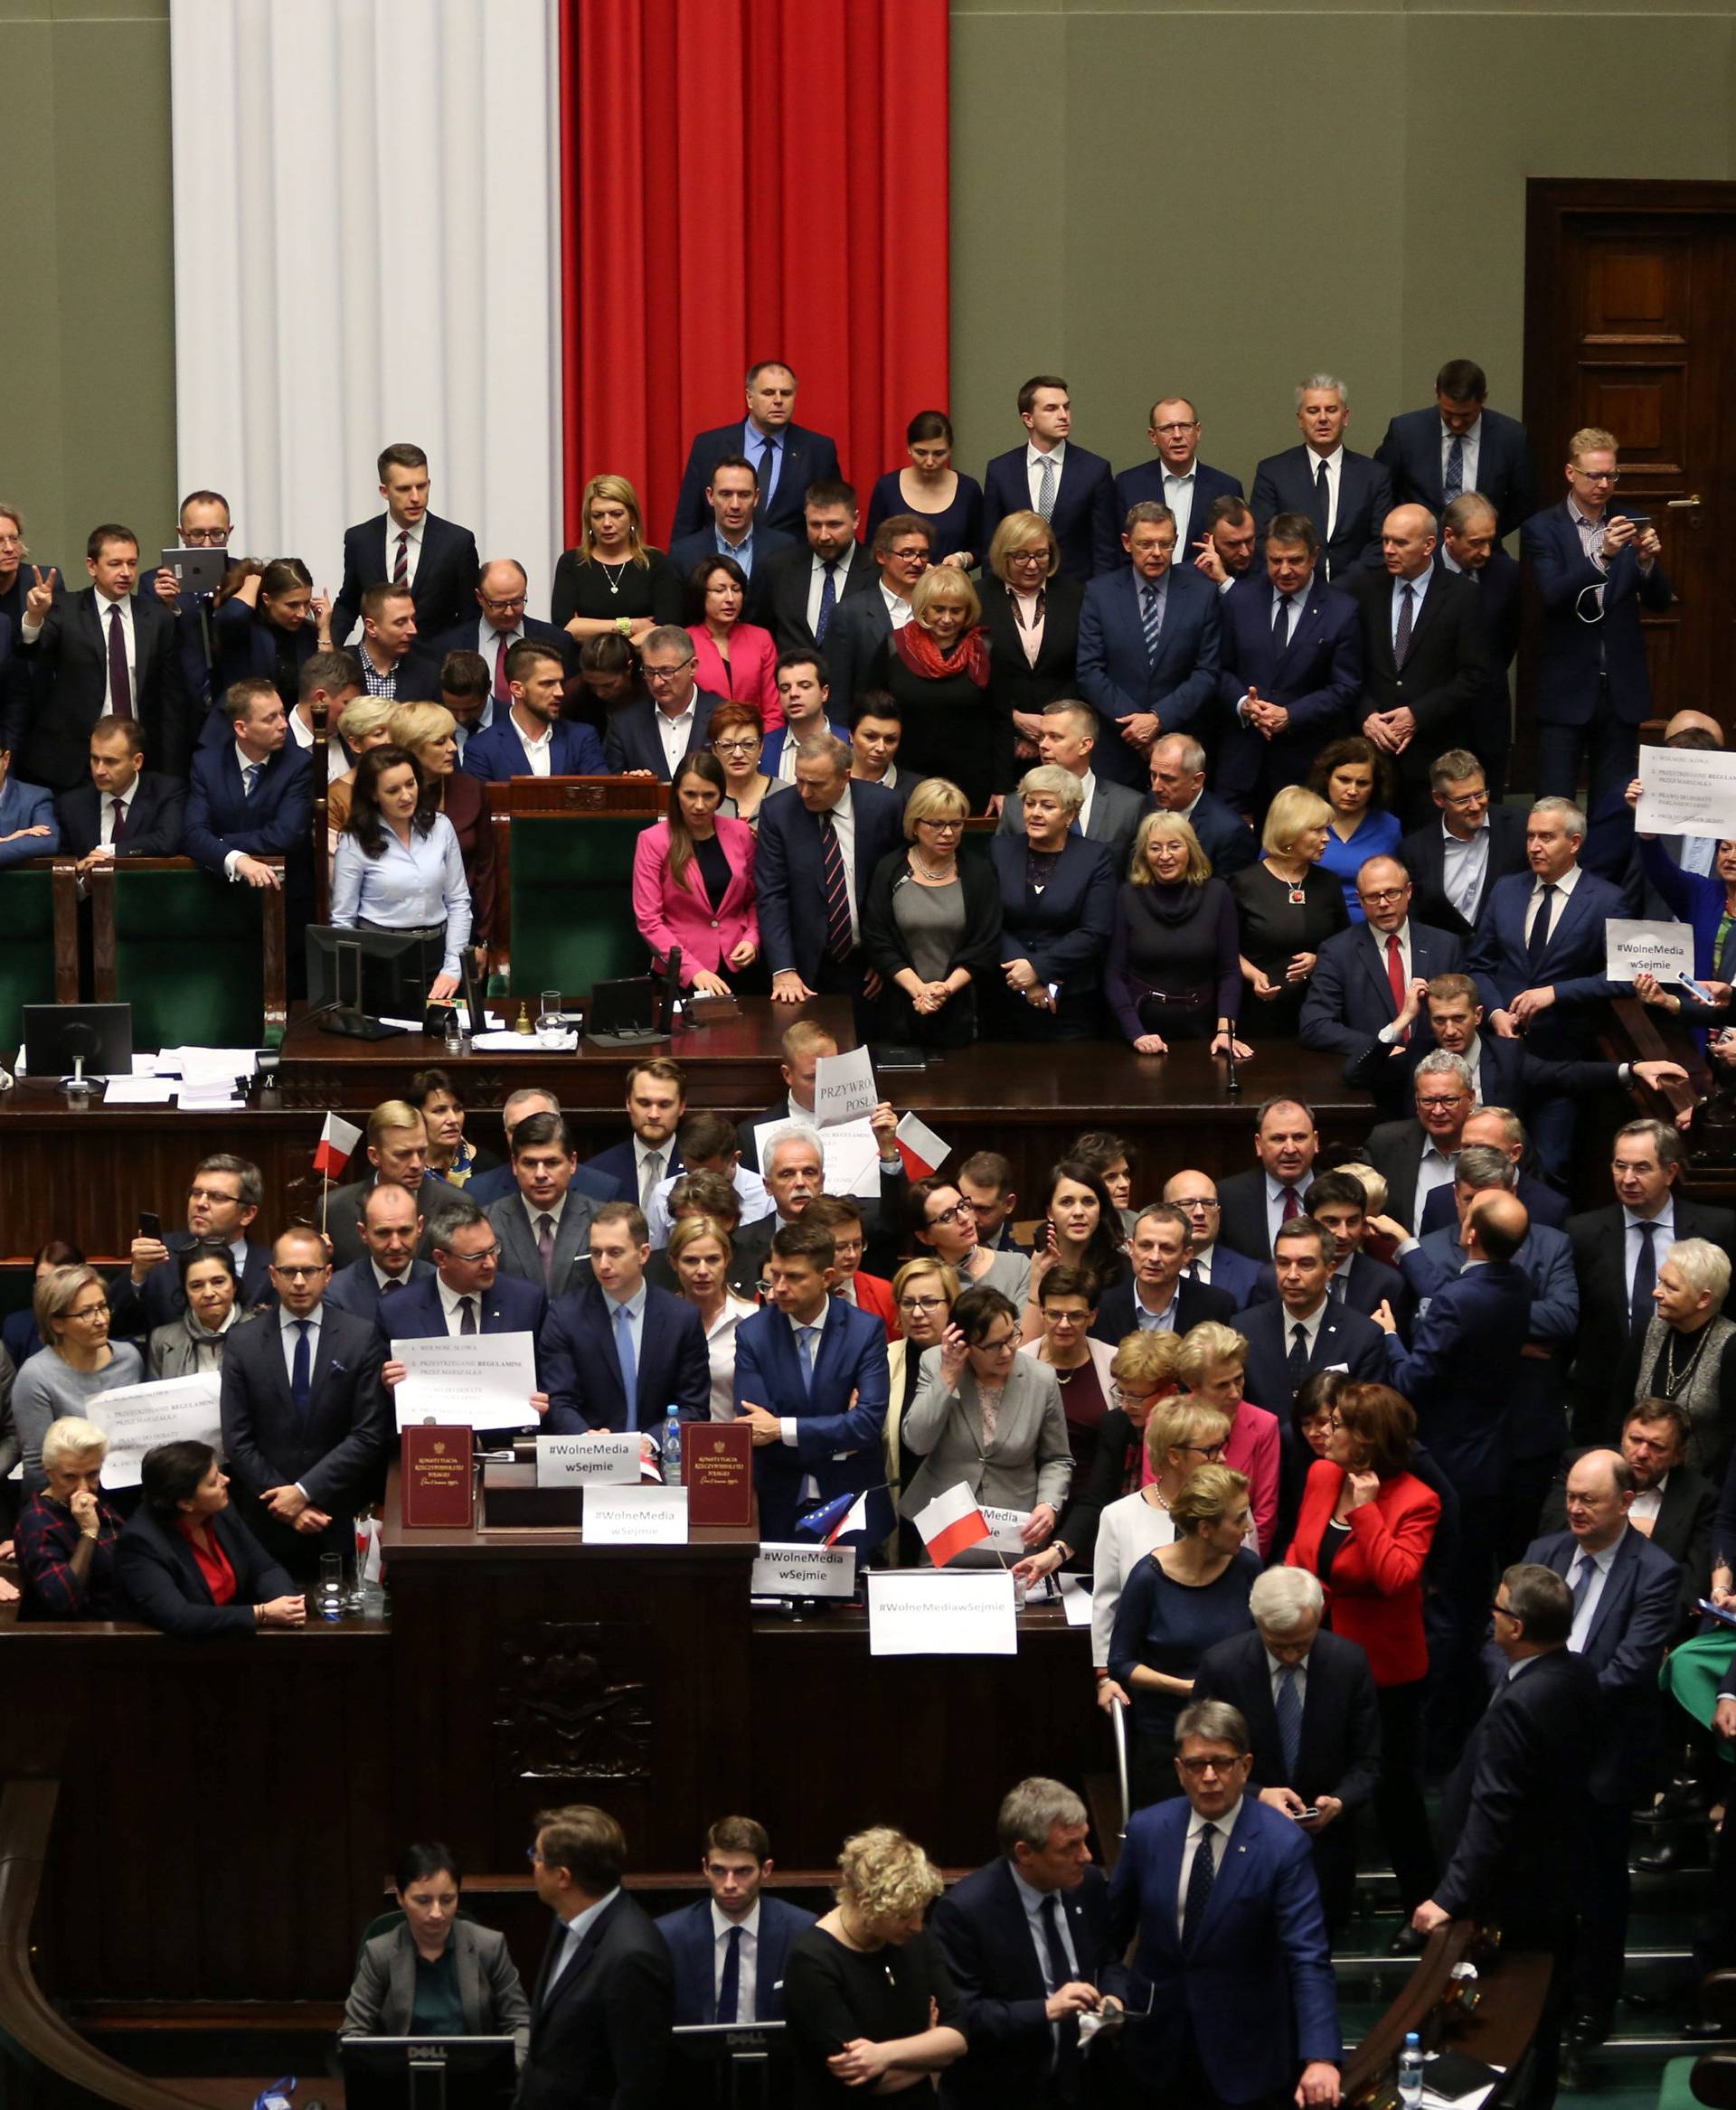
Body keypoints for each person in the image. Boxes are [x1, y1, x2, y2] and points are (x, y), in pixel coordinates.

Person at [1505, 1449, 1678, 2054]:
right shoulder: (1542, 1553)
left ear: (1627, 1502)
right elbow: (1495, 1638)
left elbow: (1629, 1670)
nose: (1575, 1508)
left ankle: (1590, 2008)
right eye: (1572, 1497)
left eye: (1590, 1500)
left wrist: (1542, 1704)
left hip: (1600, 1759)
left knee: (1599, 1892)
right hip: (1529, 1755)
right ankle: (1532, 2000)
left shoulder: (1654, 1571)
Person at [1412, 1567, 1599, 2110]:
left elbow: (1493, 1813)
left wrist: (1448, 1897)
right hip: (1557, 1882)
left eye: (1497, 1610)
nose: (1490, 1617)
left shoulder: (1519, 1705)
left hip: (1510, 1901)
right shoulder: (1577, 1673)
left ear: (1516, 1628)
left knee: (1498, 2032)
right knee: (1541, 2023)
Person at [1108, 1698, 1342, 2105]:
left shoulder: (1282, 1845)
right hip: (1155, 2046)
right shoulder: (1147, 1832)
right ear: (1180, 1770)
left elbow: (1307, 1957)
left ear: (1246, 1767)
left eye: (1223, 1763)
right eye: (1197, 1764)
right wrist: (1111, 1991)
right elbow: (1111, 1934)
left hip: (1246, 2050)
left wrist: (1320, 2056)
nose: (1210, 1777)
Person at [1284, 1382, 1440, 1917]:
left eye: (1341, 1425)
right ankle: (1328, 1902)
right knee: (1324, 1786)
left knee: (1396, 1796)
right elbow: (1301, 1549)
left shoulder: (1418, 1500)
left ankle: (1424, 1905)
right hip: (1318, 1658)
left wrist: (1369, 1512)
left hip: (1386, 1673)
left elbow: (1397, 1577)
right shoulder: (1322, 1474)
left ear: (1369, 1442)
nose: (1327, 1432)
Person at [1191, 1568, 1382, 1936]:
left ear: (1320, 1615)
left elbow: (1369, 1761)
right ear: (1257, 1620)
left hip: (1324, 1851)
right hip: (1240, 1842)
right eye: (1278, 1644)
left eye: (1302, 1642)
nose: (1292, 1654)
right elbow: (1200, 1761)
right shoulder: (1222, 1666)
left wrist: (1340, 1802)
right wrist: (1257, 1794)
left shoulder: (1349, 1663)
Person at [930, 1776, 1120, 2110]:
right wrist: (1046, 2010)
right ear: (1025, 1853)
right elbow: (961, 2015)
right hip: (1004, 2092)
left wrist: (1115, 1999)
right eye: (1069, 1848)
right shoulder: (966, 1910)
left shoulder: (1087, 1885)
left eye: (1085, 1841)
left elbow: (1109, 1961)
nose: (1087, 1856)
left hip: (1086, 2085)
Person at [1463, 794, 1630, 1171]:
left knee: (1550, 1165)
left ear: (1574, 843)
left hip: (1563, 1056)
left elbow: (1621, 978)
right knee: (1488, 1162)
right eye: (1530, 836)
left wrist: (1557, 992)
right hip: (1501, 1056)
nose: (1534, 847)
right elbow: (1479, 964)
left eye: (1546, 837)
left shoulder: (1607, 900)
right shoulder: (1507, 889)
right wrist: (1494, 1014)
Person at [218, 1227, 392, 1578]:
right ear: (273, 1276)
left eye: (309, 1271)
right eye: (288, 1271)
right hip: (266, 1520)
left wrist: (305, 1491)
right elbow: (238, 1439)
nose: (299, 1281)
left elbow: (367, 1434)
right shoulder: (243, 1341)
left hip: (336, 1515)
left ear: (327, 1275)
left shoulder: (360, 1337)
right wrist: (287, 1502)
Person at [1523, 424, 1672, 805]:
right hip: (1566, 686)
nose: (1604, 484)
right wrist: (1602, 555)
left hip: (1620, 688)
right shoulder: (1543, 529)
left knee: (1614, 804)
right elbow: (1554, 595)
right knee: (1555, 802)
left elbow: (1658, 601)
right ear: (1571, 473)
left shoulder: (1632, 521)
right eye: (1595, 475)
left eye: (1611, 475)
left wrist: (1647, 562)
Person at [1567, 1119, 1736, 1446]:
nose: (1628, 1179)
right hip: (1604, 1405)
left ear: (1670, 1172)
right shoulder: (1582, 1233)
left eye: (1642, 1168)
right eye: (1620, 1166)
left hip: (1696, 1406)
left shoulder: (1718, 1228)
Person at [1109, 1464, 1261, 1805]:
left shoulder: (1247, 1568)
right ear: (1205, 1528)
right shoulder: (1149, 1578)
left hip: (1235, 1733)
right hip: (1170, 1737)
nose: (1248, 1527)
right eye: (1238, 1519)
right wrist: (1187, 1689)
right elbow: (1121, 1663)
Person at [735, 1221, 892, 1548]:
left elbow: (866, 1424)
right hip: (779, 1506)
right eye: (775, 1275)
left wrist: (781, 1428)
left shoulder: (864, 1332)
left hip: (851, 1506)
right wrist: (839, 1436)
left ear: (826, 1277)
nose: (778, 1288)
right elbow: (754, 1429)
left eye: (794, 1277)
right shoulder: (753, 1334)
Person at [785, 1827, 967, 2105]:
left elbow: (959, 2036)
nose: (917, 1925)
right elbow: (863, 2082)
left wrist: (884, 2055)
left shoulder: (914, 1939)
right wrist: (930, 2053)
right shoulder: (813, 1961)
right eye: (904, 1915)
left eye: (921, 1911)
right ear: (866, 1906)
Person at [1341, 505, 1494, 824]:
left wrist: (1417, 715)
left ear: (1428, 545)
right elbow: (1348, 666)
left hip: (1432, 755)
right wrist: (1367, 715)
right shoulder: (1364, 589)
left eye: (1400, 542)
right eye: (1385, 541)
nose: (1388, 550)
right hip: (1373, 757)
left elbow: (1474, 675)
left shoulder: (1464, 596)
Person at [14, 521, 195, 790]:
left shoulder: (157, 618)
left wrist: (171, 771)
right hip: (74, 763)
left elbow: (171, 699)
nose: (125, 573)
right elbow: (32, 654)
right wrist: (35, 617)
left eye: (132, 564)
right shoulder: (64, 609)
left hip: (138, 762)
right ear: (91, 566)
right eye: (115, 564)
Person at [899, 1285, 1071, 1559]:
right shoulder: (935, 1363)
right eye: (993, 1345)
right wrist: (948, 1376)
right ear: (963, 1344)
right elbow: (917, 1441)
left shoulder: (1041, 1379)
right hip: (947, 1528)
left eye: (1011, 1338)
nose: (1006, 1352)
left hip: (1016, 1533)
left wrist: (1048, 1504)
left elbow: (1057, 1458)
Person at [519, 1804, 673, 2110]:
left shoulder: (633, 1956)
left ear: (563, 1877)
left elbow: (638, 2086)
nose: (532, 1864)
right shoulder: (565, 1919)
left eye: (536, 1856)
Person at [1214, 511, 1362, 815]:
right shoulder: (1239, 599)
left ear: (1314, 556)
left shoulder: (1341, 610)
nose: (1284, 570)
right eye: (1275, 560)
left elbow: (1346, 687)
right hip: (1241, 760)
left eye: (1294, 560)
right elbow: (1217, 668)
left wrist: (1290, 714)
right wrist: (1243, 704)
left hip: (1303, 763)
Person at [1077, 501, 1222, 791]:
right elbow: (1089, 671)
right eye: (1146, 544)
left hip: (1180, 750)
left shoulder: (1202, 594)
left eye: (1165, 544)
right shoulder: (1100, 593)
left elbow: (1207, 672)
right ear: (1127, 543)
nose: (1156, 554)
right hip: (1116, 749)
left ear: (1176, 543)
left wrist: (1158, 719)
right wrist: (1136, 726)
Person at [757, 733, 904, 1017]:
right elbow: (772, 895)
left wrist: (890, 959)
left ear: (844, 777)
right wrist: (784, 969)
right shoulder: (779, 812)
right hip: (805, 967)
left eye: (816, 784)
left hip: (869, 962)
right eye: (799, 779)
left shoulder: (885, 807)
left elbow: (899, 886)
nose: (804, 792)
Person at [540, 1202, 711, 1434]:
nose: (603, 1265)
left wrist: (651, 1441)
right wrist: (585, 1436)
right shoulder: (565, 1316)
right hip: (588, 1459)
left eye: (615, 1253)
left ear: (643, 1254)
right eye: (596, 1252)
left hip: (660, 1460)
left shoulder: (681, 1319)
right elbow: (558, 1400)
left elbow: (693, 1406)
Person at [344, 1841, 531, 2050]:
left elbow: (521, 2024)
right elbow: (353, 2034)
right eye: (423, 1900)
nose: (436, 1913)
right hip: (403, 2078)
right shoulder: (379, 1953)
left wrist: (505, 2069)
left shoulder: (490, 1947)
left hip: (476, 2077)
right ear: (400, 1898)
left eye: (447, 1899)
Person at [861, 774, 1002, 1047]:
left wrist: (945, 989)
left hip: (962, 1007)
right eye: (936, 824)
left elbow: (986, 942)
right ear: (915, 824)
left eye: (956, 824)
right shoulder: (890, 869)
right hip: (899, 1006)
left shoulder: (979, 872)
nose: (948, 833)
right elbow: (877, 939)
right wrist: (919, 990)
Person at [116, 1440, 307, 1637]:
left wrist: (288, 1603)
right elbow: (180, 1617)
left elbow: (265, 1568)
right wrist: (261, 1613)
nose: (226, 1481)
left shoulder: (219, 1509)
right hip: (182, 1653)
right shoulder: (140, 1542)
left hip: (235, 1638)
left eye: (220, 1473)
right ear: (186, 1503)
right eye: (213, 1482)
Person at [331, 743, 471, 1003]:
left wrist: (453, 967)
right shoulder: (355, 841)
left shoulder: (441, 827)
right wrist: (347, 987)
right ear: (373, 795)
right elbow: (343, 920)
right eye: (393, 790)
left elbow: (459, 901)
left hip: (438, 954)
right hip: (381, 957)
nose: (406, 796)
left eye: (411, 784)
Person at [1104, 808, 1246, 1058]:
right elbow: (1115, 974)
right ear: (1143, 854)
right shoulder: (1127, 895)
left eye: (1174, 846)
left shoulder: (1218, 893)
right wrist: (1136, 1034)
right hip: (1140, 1031)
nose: (1165, 856)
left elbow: (1229, 972)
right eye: (1155, 848)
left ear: (1191, 849)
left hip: (1203, 1032)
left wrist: (1226, 1031)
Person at [1299, 854, 1462, 1061]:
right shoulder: (1337, 952)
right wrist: (1379, 1046)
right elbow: (1315, 1026)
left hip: (1439, 1071)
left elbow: (1462, 1016)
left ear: (1409, 892)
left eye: (1392, 893)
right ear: (1360, 900)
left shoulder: (1445, 946)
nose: (1383, 904)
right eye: (1373, 897)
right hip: (1372, 1076)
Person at [657, 1815, 817, 2026]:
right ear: (705, 1867)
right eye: (719, 1870)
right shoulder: (669, 1936)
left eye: (742, 1871)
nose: (729, 1884)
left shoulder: (801, 1931)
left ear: (766, 1870)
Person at [862, 568, 996, 815]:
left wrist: (1001, 787)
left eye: (956, 611)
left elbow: (1000, 720)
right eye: (938, 609)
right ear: (923, 608)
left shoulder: (984, 651)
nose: (947, 619)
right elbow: (871, 710)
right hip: (905, 778)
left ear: (968, 611)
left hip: (972, 782)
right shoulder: (894, 646)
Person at [670, 361, 844, 544]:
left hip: (791, 565)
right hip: (722, 565)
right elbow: (687, 521)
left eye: (786, 393)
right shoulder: (709, 445)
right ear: (749, 398)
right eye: (768, 393)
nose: (778, 400)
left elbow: (834, 514)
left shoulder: (818, 450)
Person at [1233, 1216, 1386, 1422]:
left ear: (1330, 1270)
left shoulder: (1362, 1336)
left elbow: (1367, 1419)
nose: (1292, 1275)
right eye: (1283, 1263)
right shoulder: (1244, 1329)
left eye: (1305, 1264)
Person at [630, 750, 759, 994]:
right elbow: (649, 921)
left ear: (721, 795)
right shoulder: (652, 840)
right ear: (676, 793)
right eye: (690, 794)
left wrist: (752, 938)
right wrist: (691, 969)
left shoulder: (741, 833)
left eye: (709, 795)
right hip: (681, 974)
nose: (699, 805)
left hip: (739, 964)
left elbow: (755, 900)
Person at [14, 1266, 145, 1494]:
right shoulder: (35, 1376)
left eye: (103, 1307)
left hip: (131, 1491)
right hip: (69, 1500)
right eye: (86, 1313)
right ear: (57, 1323)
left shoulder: (129, 1358)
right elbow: (38, 1468)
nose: (101, 1320)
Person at [108, 1153, 271, 1336]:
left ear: (248, 1214)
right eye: (196, 1193)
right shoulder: (160, 1253)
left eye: (216, 1197)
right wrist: (138, 1274)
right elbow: (112, 1325)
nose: (201, 1203)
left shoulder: (273, 1266)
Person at [1375, 358, 1535, 543]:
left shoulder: (1510, 437)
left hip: (1480, 551)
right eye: (1448, 414)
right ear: (1437, 392)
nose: (1457, 423)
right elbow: (1382, 491)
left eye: (1466, 415)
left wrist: (1483, 535)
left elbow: (1524, 502)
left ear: (1483, 398)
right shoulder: (1406, 431)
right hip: (1418, 552)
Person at [330, 442, 476, 645]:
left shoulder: (457, 542)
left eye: (421, 486)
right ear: (384, 491)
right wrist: (328, 650)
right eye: (404, 489)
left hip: (435, 666)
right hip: (375, 664)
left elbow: (470, 616)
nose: (415, 497)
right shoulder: (360, 540)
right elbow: (349, 603)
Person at [1231, 786, 1349, 1036]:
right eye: (1318, 830)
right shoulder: (1244, 883)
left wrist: (1319, 960)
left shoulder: (1329, 883)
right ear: (1290, 831)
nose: (1327, 837)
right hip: (1260, 1012)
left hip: (1319, 1011)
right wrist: (1253, 975)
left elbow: (1345, 944)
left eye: (1327, 829)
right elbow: (1225, 948)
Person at [1251, 371, 1392, 580]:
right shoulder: (1273, 472)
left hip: (1357, 594)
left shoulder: (1374, 475)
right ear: (1300, 419)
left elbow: (1381, 541)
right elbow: (1262, 538)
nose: (1323, 418)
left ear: (1345, 417)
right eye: (1313, 411)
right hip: (1292, 591)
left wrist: (1345, 585)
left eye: (1331, 410)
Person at [981, 373, 1118, 582]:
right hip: (1015, 593)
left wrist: (1099, 603)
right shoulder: (1001, 470)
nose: (1063, 415)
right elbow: (991, 545)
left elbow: (1105, 549)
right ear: (1028, 419)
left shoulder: (1095, 470)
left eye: (1066, 407)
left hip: (1076, 596)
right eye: (1051, 408)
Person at [183, 678, 313, 892]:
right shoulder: (207, 764)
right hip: (219, 889)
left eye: (282, 713)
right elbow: (193, 832)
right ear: (241, 729)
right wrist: (236, 859)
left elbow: (284, 835)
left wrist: (220, 840)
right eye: (270, 718)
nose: (283, 724)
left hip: (281, 892)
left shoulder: (298, 765)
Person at [980, 516, 1085, 782]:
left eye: (1041, 555)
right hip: (998, 742)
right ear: (1003, 555)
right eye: (1021, 557)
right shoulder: (978, 598)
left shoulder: (1076, 596)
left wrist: (1047, 726)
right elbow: (973, 671)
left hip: (1064, 743)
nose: (1033, 565)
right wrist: (1015, 720)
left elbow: (1083, 666)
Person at [382, 1196, 550, 1361]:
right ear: (441, 1259)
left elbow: (548, 1374)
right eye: (476, 1257)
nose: (490, 1263)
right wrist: (390, 1384)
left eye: (493, 1250)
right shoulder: (397, 1310)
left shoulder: (526, 1302)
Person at [1435, 496, 1524, 798]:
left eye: (1490, 540)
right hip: (1435, 708)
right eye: (1475, 543)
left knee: (1489, 796)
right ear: (1449, 536)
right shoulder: (1424, 570)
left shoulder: (1507, 574)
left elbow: (1508, 638)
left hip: (1488, 708)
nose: (1485, 551)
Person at [387, 699, 495, 947]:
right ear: (411, 748)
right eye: (440, 742)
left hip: (464, 926)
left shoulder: (471, 790)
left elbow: (486, 871)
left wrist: (483, 941)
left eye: (451, 738)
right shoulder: (389, 795)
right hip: (398, 929)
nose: (453, 748)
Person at [1173, 1320, 1284, 1555]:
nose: (1235, 1393)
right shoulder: (1167, 1422)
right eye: (1222, 1385)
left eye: (1239, 1379)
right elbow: (1157, 1501)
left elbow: (1264, 1518)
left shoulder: (1264, 1425)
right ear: (1194, 1386)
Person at [1397, 748, 1529, 941]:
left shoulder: (1519, 827)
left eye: (1480, 794)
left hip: (1505, 953)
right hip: (1445, 959)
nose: (1475, 806)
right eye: (1463, 800)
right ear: (1438, 799)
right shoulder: (1415, 850)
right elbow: (1414, 917)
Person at [12, 1416, 126, 1619]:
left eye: (92, 1474)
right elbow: (63, 1600)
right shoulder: (37, 1522)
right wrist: (89, 1532)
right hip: (84, 1636)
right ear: (49, 1473)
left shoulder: (100, 1499)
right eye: (70, 1477)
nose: (83, 1488)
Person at [552, 472, 683, 648]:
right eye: (598, 516)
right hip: (586, 667)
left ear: (632, 517)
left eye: (616, 514)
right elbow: (565, 628)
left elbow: (666, 628)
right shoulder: (572, 562)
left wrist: (618, 651)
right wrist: (631, 626)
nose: (607, 523)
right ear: (588, 521)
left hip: (644, 667)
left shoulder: (655, 562)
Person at [822, 515, 934, 720]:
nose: (918, 562)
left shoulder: (938, 609)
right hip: (872, 736)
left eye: (923, 554)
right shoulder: (850, 613)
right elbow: (837, 693)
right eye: (907, 554)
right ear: (882, 556)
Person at [486, 1112, 600, 1298]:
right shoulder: (489, 1223)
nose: (540, 1174)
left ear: (572, 1163)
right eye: (530, 1163)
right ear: (514, 1165)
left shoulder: (600, 1219)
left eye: (552, 1162)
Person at [1116, 395, 1246, 558]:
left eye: (1185, 426)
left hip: (1206, 581)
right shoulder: (1128, 484)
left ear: (1198, 431)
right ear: (1152, 436)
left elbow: (1236, 552)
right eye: (1167, 428)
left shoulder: (1226, 487)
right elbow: (1117, 552)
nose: (1177, 435)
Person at [757, 481, 877, 656]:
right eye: (815, 525)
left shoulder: (877, 571)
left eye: (834, 525)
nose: (823, 536)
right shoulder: (778, 568)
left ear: (856, 520)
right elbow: (760, 634)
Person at [1363, 1050, 1477, 1233]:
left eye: (1449, 1100)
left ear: (1471, 1099)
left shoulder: (1496, 1142)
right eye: (1428, 1101)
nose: (1438, 1111)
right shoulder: (1385, 1143)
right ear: (1416, 1102)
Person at [1087, 1203, 1234, 1344]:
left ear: (1186, 1255)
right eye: (1145, 1246)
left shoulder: (1216, 1306)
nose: (1154, 1257)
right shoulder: (1102, 1307)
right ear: (1131, 1248)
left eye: (1167, 1248)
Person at [461, 638, 607, 780]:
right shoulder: (482, 748)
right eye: (548, 684)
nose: (560, 692)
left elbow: (602, 794)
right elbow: (477, 803)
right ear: (518, 689)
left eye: (560, 682)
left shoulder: (581, 738)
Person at [56, 713, 184, 863]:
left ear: (137, 762)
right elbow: (63, 866)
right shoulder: (71, 805)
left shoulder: (166, 792)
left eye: (110, 761)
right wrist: (81, 875)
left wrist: (109, 852)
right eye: (95, 759)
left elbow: (167, 841)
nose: (99, 770)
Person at [865, 410, 985, 569]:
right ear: (909, 448)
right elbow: (873, 548)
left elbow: (982, 548)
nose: (929, 461)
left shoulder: (968, 490)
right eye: (921, 453)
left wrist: (961, 559)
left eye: (938, 453)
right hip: (899, 589)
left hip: (950, 588)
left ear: (950, 450)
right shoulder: (887, 487)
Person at [666, 453, 797, 596]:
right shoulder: (684, 554)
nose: (735, 505)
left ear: (756, 497)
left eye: (744, 495)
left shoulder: (784, 549)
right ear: (710, 496)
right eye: (726, 494)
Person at [667, 1215, 759, 1420]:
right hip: (672, 1444)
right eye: (690, 1261)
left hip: (735, 1445)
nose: (702, 1271)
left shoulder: (752, 1320)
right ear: (674, 1263)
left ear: (727, 1259)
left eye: (712, 1259)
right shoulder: (657, 1321)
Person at [210, 556, 331, 709]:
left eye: (306, 603)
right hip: (241, 723)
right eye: (292, 605)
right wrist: (253, 582)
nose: (302, 613)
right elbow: (233, 615)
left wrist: (324, 629)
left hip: (290, 725)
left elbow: (327, 684)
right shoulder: (245, 628)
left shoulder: (307, 633)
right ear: (267, 599)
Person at [1215, 1097, 1323, 1260]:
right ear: (1259, 1145)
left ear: (1315, 1142)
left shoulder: (1340, 1193)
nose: (1290, 1149)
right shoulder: (1227, 1197)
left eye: (1299, 1137)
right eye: (1278, 1138)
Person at [1308, 737, 1403, 920]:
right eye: (1344, 780)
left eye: (1362, 783)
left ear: (1374, 785)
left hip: (1373, 928)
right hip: (1313, 925)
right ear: (1327, 778)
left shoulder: (1389, 826)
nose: (1352, 791)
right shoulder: (1302, 821)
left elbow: (1398, 886)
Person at [1146, 730, 1258, 879]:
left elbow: (1229, 898)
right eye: (1154, 775)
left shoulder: (1230, 833)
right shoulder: (1150, 802)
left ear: (1197, 781)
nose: (1156, 787)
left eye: (1168, 779)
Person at [583, 1056, 689, 1205]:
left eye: (664, 1104)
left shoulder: (700, 1169)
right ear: (628, 1103)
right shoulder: (596, 1172)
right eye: (644, 1103)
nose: (653, 1115)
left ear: (682, 1107)